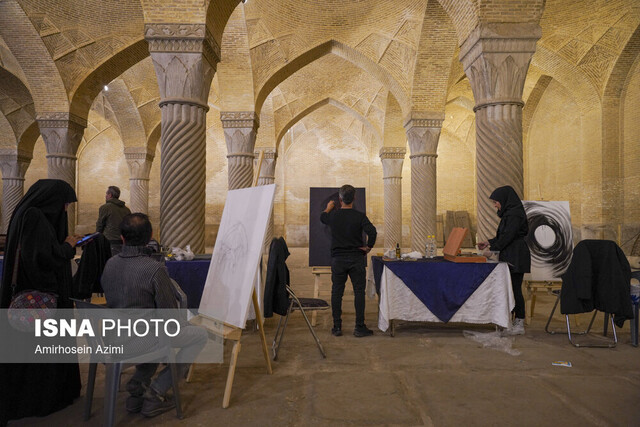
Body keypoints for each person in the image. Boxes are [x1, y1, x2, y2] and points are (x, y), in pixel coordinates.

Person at [100, 213, 207, 418]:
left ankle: (137, 387)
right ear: (150, 236)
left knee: (152, 330)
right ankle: (156, 392)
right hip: (141, 339)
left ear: (122, 238)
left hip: (112, 338)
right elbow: (170, 318)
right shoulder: (154, 269)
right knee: (198, 336)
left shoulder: (110, 264)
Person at [0, 179, 82, 424]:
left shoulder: (28, 213)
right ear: (53, 201)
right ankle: (40, 398)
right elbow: (41, 259)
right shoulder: (34, 216)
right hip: (36, 301)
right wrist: (68, 247)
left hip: (32, 298)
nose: (66, 209)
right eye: (65, 203)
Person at [320, 185, 377, 337]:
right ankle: (359, 327)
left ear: (340, 199)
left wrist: (328, 208)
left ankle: (337, 327)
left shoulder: (333, 215)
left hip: (338, 259)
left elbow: (322, 218)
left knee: (337, 292)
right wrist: (369, 247)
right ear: (355, 198)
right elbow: (372, 231)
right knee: (359, 292)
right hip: (356, 258)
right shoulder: (360, 216)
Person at [477, 185, 531, 335]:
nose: (495, 205)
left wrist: (492, 250)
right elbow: (504, 235)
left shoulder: (514, 215)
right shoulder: (510, 213)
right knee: (511, 288)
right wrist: (489, 242)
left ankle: (519, 322)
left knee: (515, 288)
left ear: (504, 200)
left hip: (516, 255)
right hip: (512, 253)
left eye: (496, 202)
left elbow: (508, 237)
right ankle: (511, 320)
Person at [96, 185, 131, 255]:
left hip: (109, 240)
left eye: (106, 194)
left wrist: (97, 237)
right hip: (123, 240)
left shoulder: (105, 207)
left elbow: (100, 224)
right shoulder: (126, 209)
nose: (105, 196)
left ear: (110, 195)